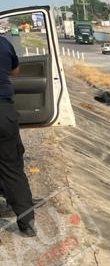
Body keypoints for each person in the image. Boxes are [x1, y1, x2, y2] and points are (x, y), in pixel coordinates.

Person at [0, 33, 35, 237]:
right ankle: (27, 222)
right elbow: (16, 71)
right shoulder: (4, 43)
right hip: (3, 111)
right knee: (12, 168)